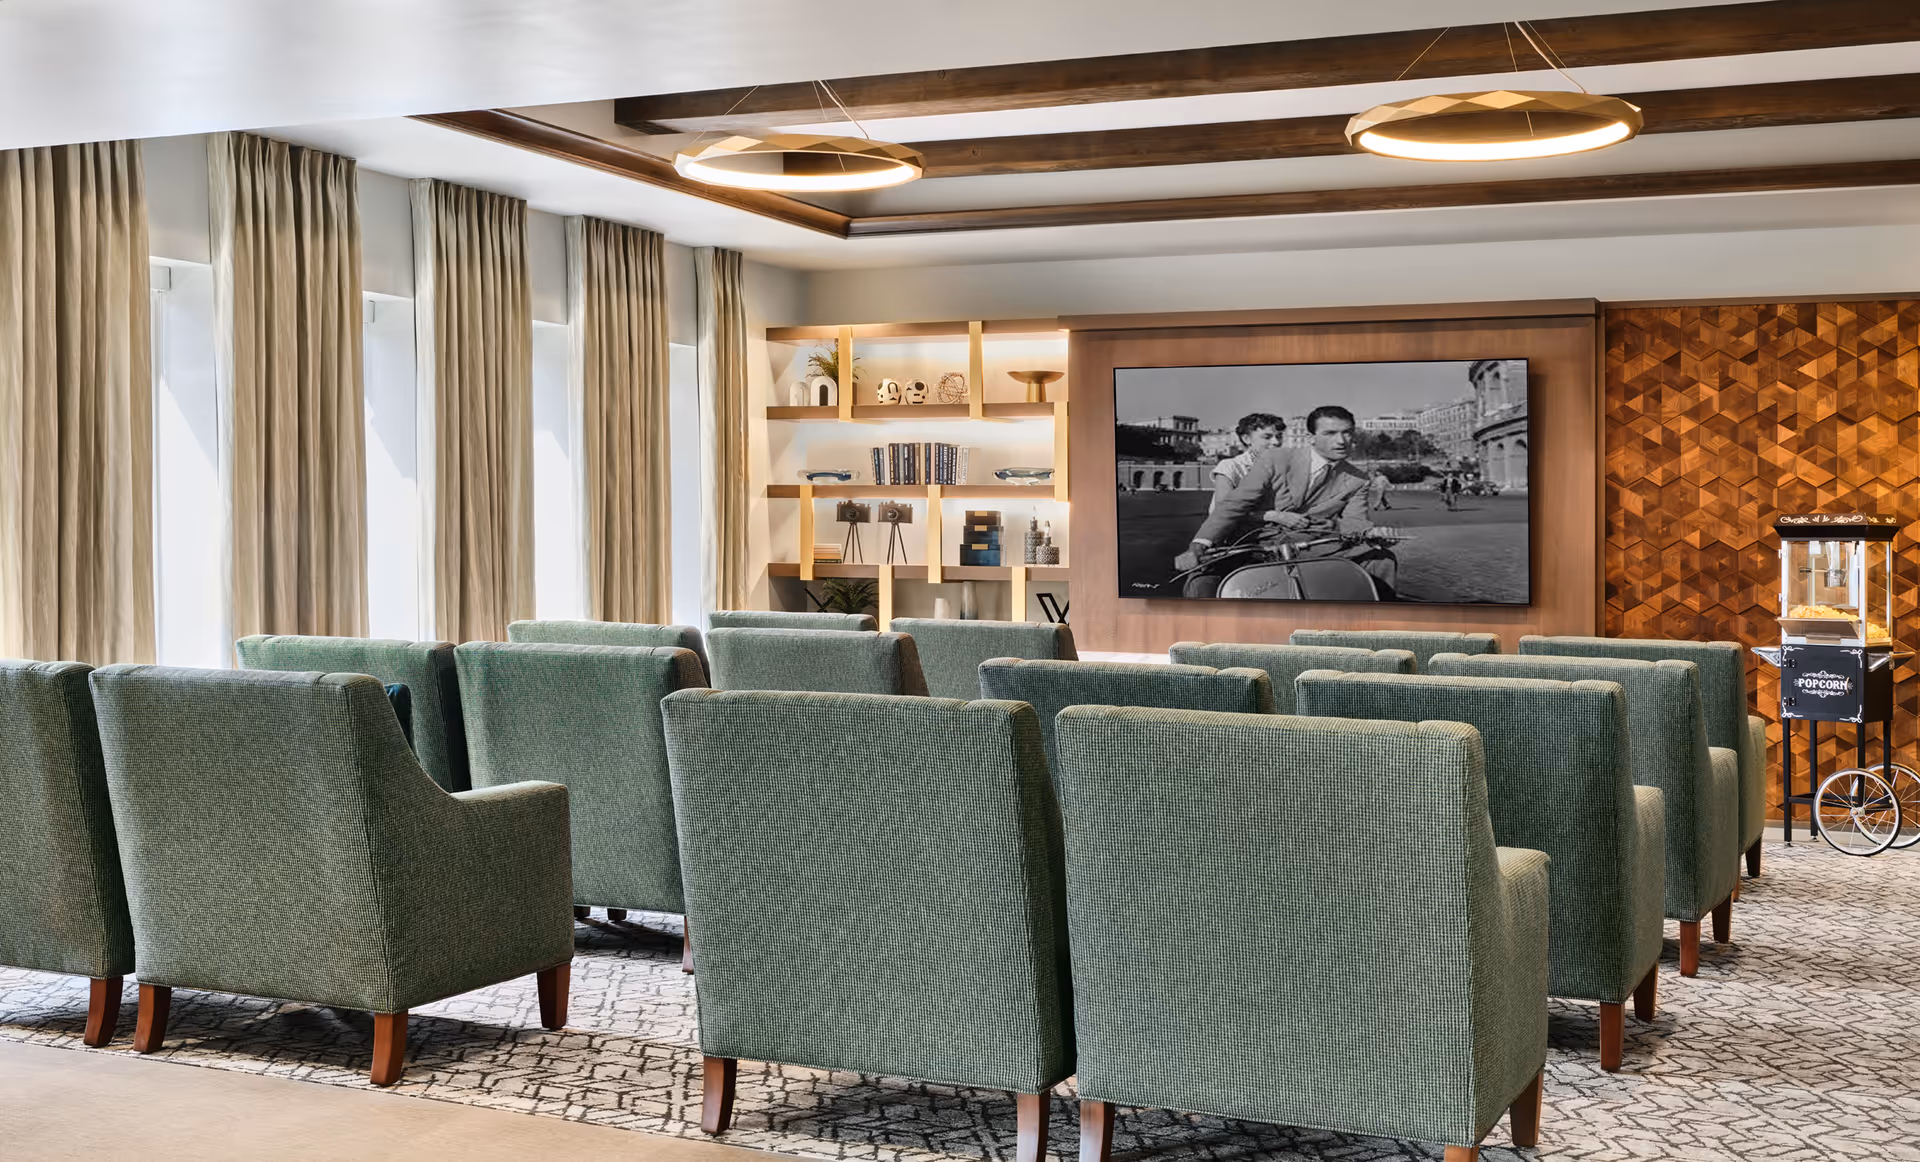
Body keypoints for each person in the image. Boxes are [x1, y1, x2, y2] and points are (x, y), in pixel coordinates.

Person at [1174, 405, 1397, 592]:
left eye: (1347, 432)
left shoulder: (1359, 479)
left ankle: (1376, 626)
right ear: (1311, 438)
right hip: (1254, 544)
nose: (1341, 441)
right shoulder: (1276, 458)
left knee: (1382, 560)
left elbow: (1354, 522)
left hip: (1314, 546)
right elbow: (1234, 505)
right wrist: (1198, 546)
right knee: (1202, 582)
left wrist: (1372, 533)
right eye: (1330, 433)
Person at [1209, 413, 1286, 511]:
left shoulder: (1284, 467)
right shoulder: (1230, 466)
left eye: (1279, 436)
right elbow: (1223, 510)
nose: (1276, 442)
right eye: (1267, 437)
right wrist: (1272, 516)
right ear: (1246, 439)